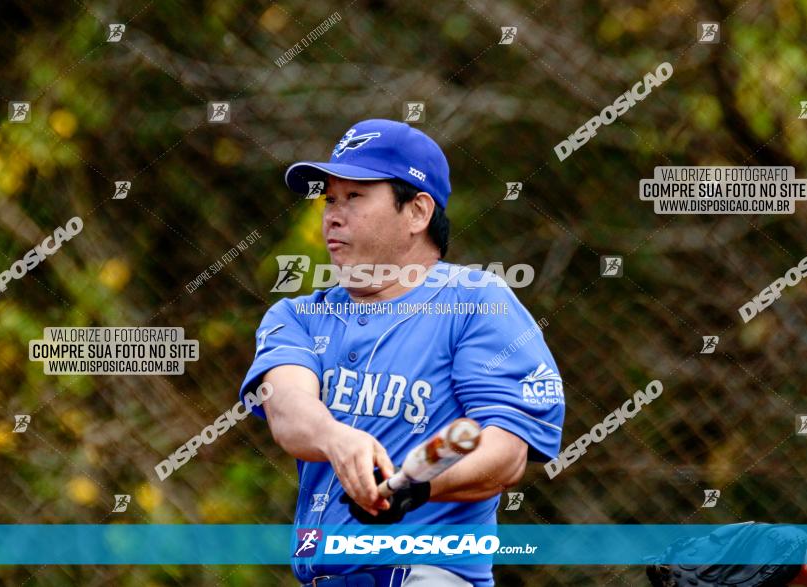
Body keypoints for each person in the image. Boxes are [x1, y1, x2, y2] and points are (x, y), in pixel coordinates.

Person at [238, 119, 565, 586]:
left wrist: (420, 487)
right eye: (330, 198)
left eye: (355, 197)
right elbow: (288, 409)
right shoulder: (297, 316)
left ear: (417, 212)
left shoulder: (475, 303)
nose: (332, 214)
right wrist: (335, 437)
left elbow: (505, 453)